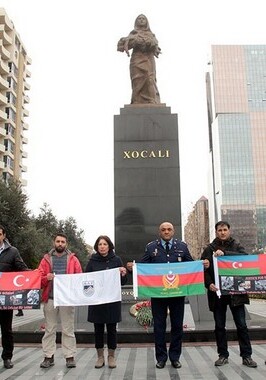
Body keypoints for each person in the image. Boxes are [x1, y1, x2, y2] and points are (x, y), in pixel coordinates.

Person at [201, 221, 257, 368]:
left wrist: (225, 254)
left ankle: (247, 356)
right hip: (217, 294)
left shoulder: (237, 246)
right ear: (216, 232)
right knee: (219, 326)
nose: (222, 232)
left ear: (229, 231)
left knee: (242, 325)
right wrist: (209, 284)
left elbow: (245, 259)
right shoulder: (209, 249)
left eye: (225, 230)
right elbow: (202, 269)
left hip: (236, 294)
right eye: (220, 230)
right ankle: (223, 355)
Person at [138, 222, 193, 369]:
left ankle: (175, 357)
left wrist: (202, 265)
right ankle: (161, 358)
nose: (166, 232)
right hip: (158, 295)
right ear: (159, 232)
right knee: (159, 327)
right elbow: (142, 266)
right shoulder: (151, 247)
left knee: (177, 326)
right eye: (163, 230)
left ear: (173, 231)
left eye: (169, 229)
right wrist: (133, 267)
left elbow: (191, 265)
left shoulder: (182, 246)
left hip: (177, 294)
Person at [38, 233, 83, 369]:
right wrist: (47, 278)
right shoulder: (45, 259)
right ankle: (48, 356)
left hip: (67, 300)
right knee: (49, 329)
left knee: (68, 329)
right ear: (54, 243)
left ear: (66, 244)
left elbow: (79, 278)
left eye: (63, 242)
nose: (60, 244)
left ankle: (69, 357)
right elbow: (38, 278)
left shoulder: (73, 259)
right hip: (50, 299)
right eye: (58, 241)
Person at [85, 235, 127, 369]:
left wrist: (123, 274)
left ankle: (111, 356)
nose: (102, 246)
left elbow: (123, 282)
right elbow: (86, 280)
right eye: (100, 244)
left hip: (112, 301)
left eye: (105, 244)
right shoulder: (92, 261)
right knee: (98, 329)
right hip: (97, 301)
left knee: (112, 329)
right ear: (97, 247)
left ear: (109, 246)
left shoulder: (116, 260)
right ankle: (100, 357)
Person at [0, 225, 28, 369]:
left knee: (6, 329)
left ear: (4, 236)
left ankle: (7, 357)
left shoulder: (12, 251)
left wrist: (33, 273)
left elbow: (22, 268)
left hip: (5, 298)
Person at [117, 14, 161, 104]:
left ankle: (152, 100)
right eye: (139, 19)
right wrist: (133, 41)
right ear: (136, 22)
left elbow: (155, 47)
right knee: (137, 80)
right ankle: (136, 101)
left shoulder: (151, 35)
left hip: (148, 59)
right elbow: (121, 46)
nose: (141, 20)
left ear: (147, 22)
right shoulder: (133, 34)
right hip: (136, 60)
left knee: (150, 79)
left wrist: (150, 43)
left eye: (143, 18)